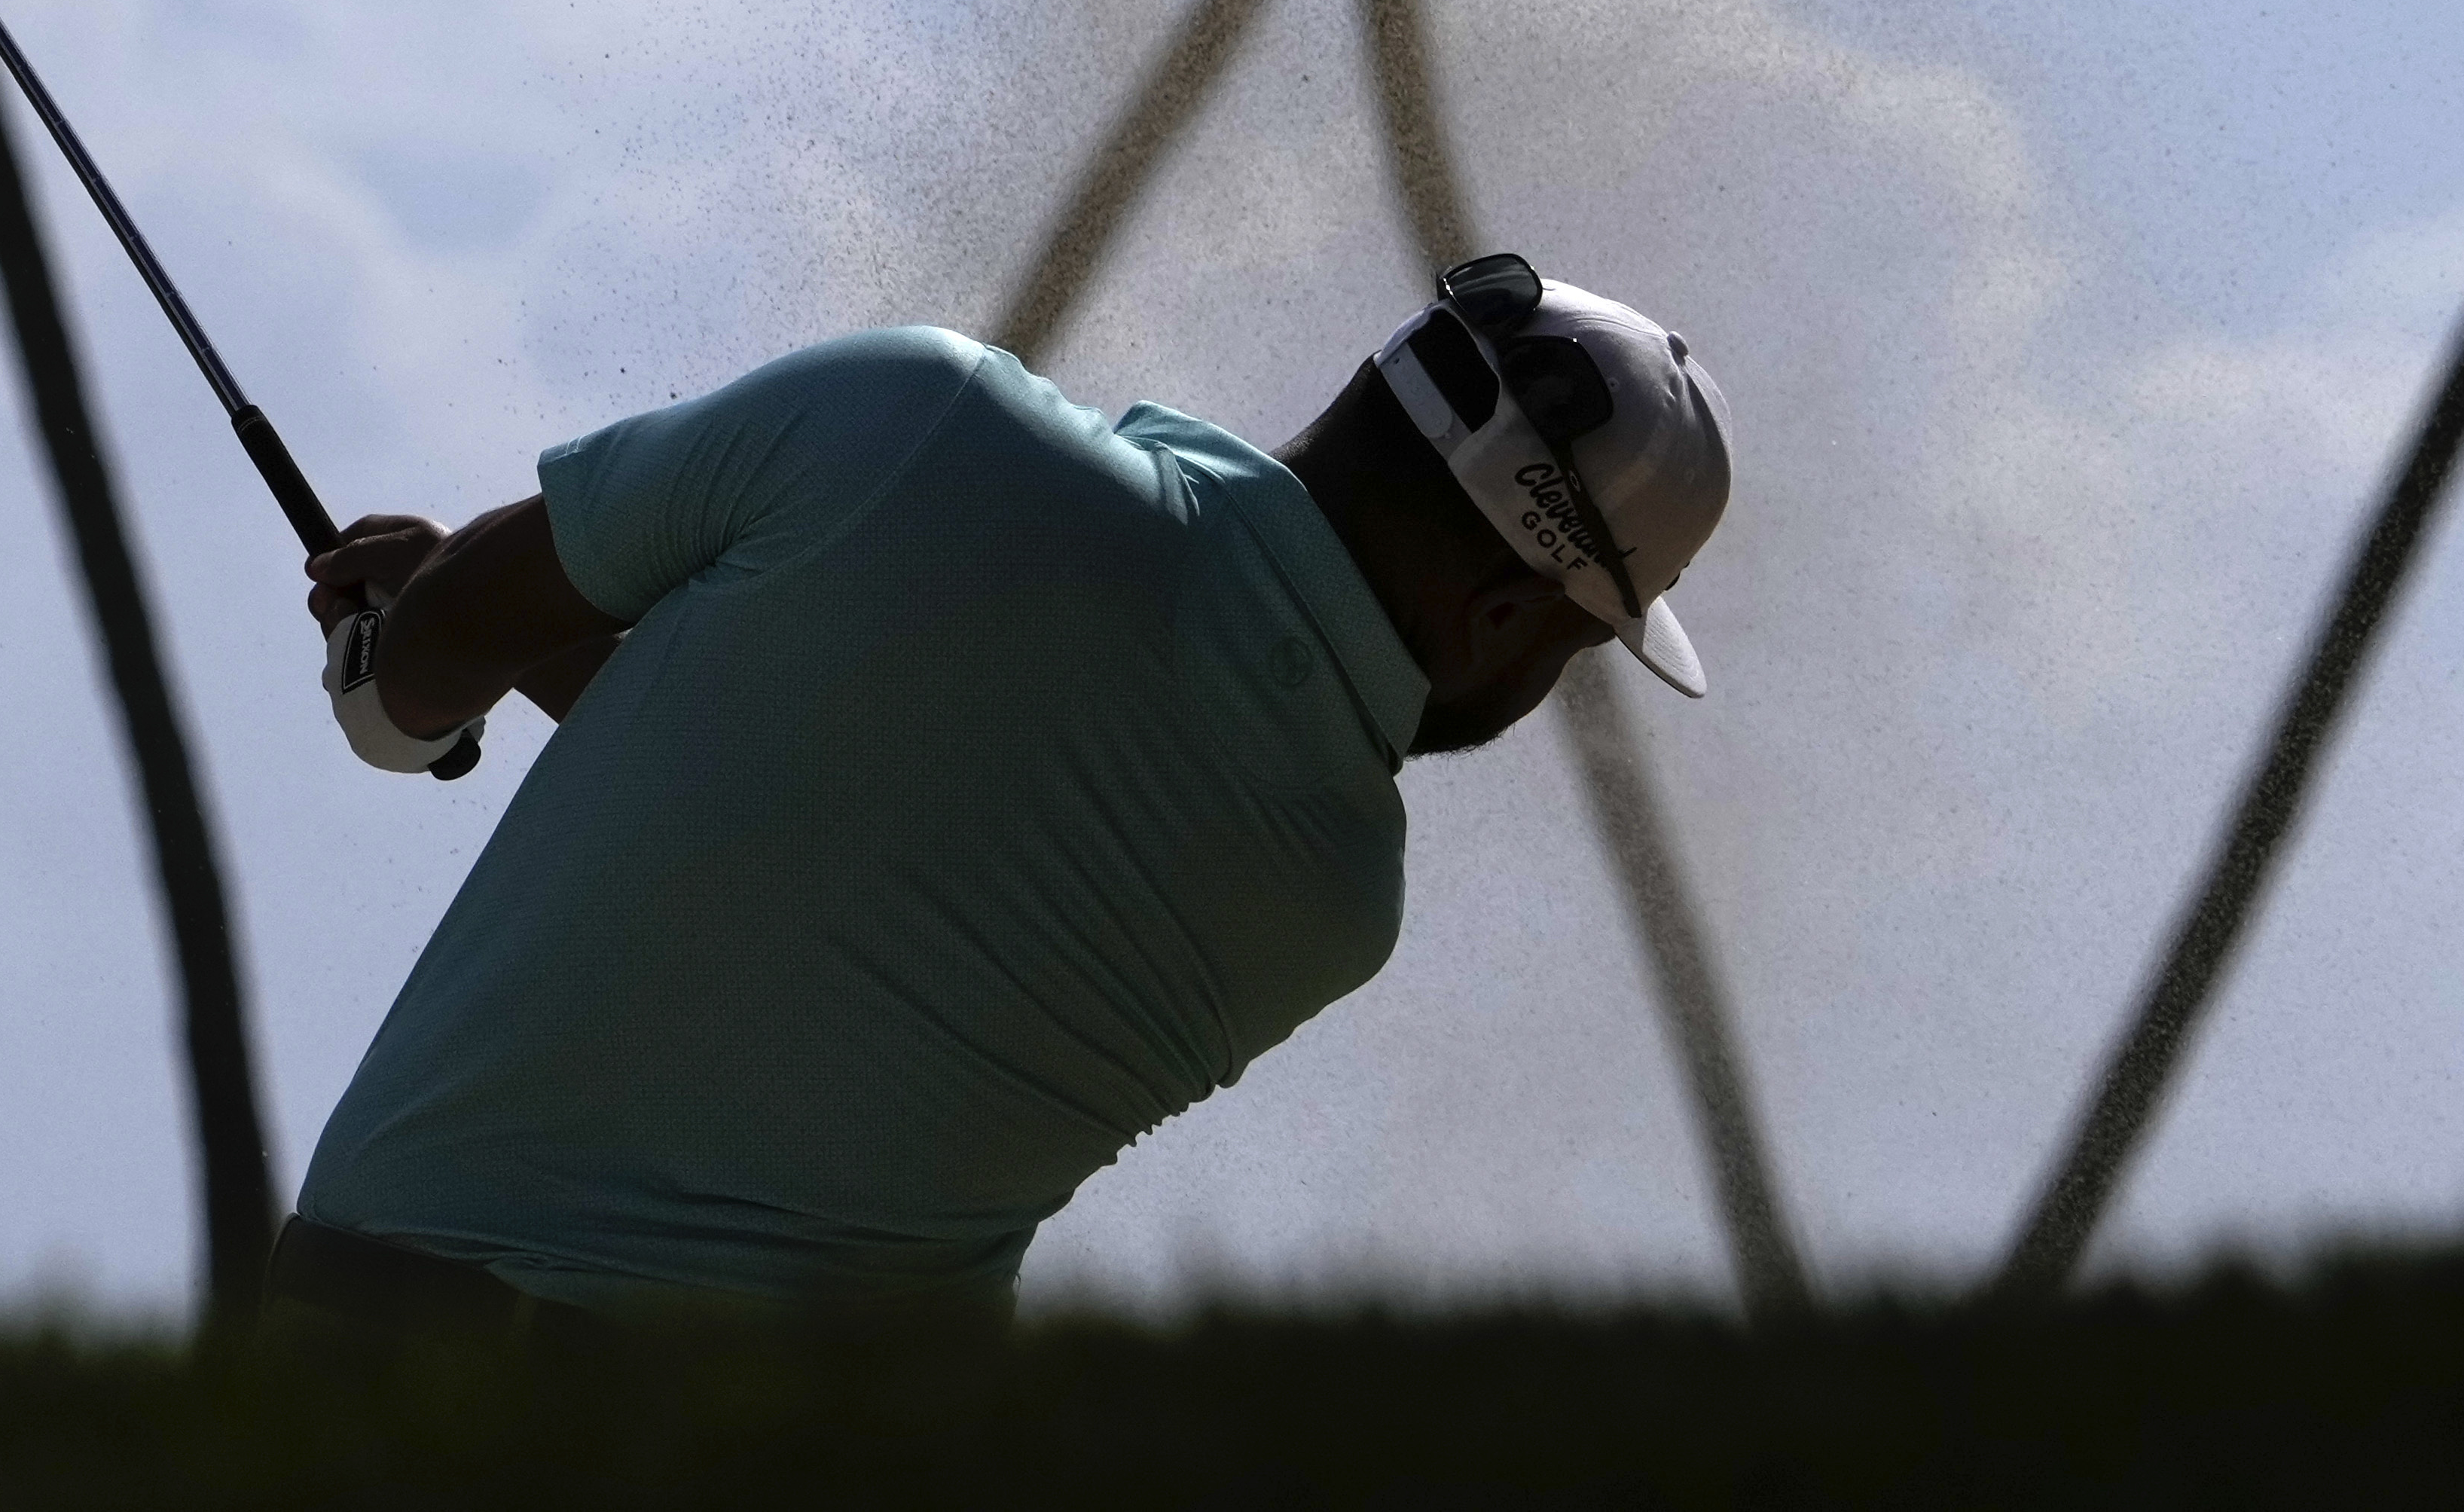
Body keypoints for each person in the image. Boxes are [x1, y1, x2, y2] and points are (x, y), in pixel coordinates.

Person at [265, 252, 1738, 1336]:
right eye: (1574, 646)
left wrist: (392, 664)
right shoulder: (1328, 899)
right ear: (1495, 619)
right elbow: (857, 826)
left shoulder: (921, 413)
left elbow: (451, 687)